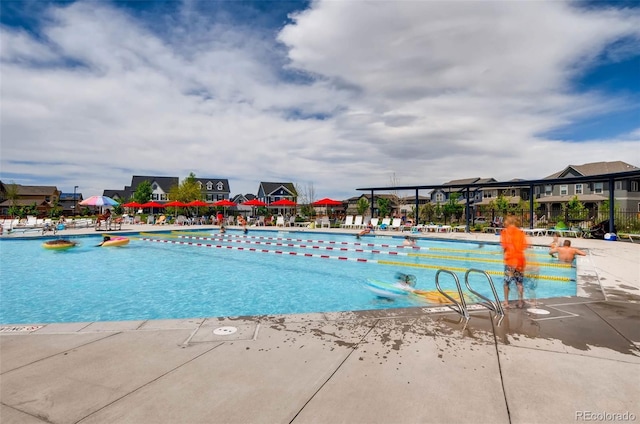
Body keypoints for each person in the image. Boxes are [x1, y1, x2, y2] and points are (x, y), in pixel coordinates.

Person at [500, 215, 528, 309]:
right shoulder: (521, 232)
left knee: (506, 283)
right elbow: (524, 247)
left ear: (508, 222)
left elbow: (505, 247)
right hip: (520, 261)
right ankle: (520, 301)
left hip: (510, 261)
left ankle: (506, 302)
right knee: (519, 283)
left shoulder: (505, 232)